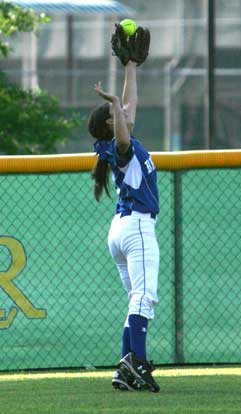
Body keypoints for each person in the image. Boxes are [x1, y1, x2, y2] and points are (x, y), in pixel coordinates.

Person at [88, 25, 160, 393]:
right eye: (119, 113)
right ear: (111, 124)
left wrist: (130, 67)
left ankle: (125, 367)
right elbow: (122, 128)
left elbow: (130, 110)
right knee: (144, 298)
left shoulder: (114, 146)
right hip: (136, 229)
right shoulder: (119, 148)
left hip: (121, 230)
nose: (127, 112)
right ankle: (138, 365)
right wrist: (114, 104)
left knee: (136, 299)